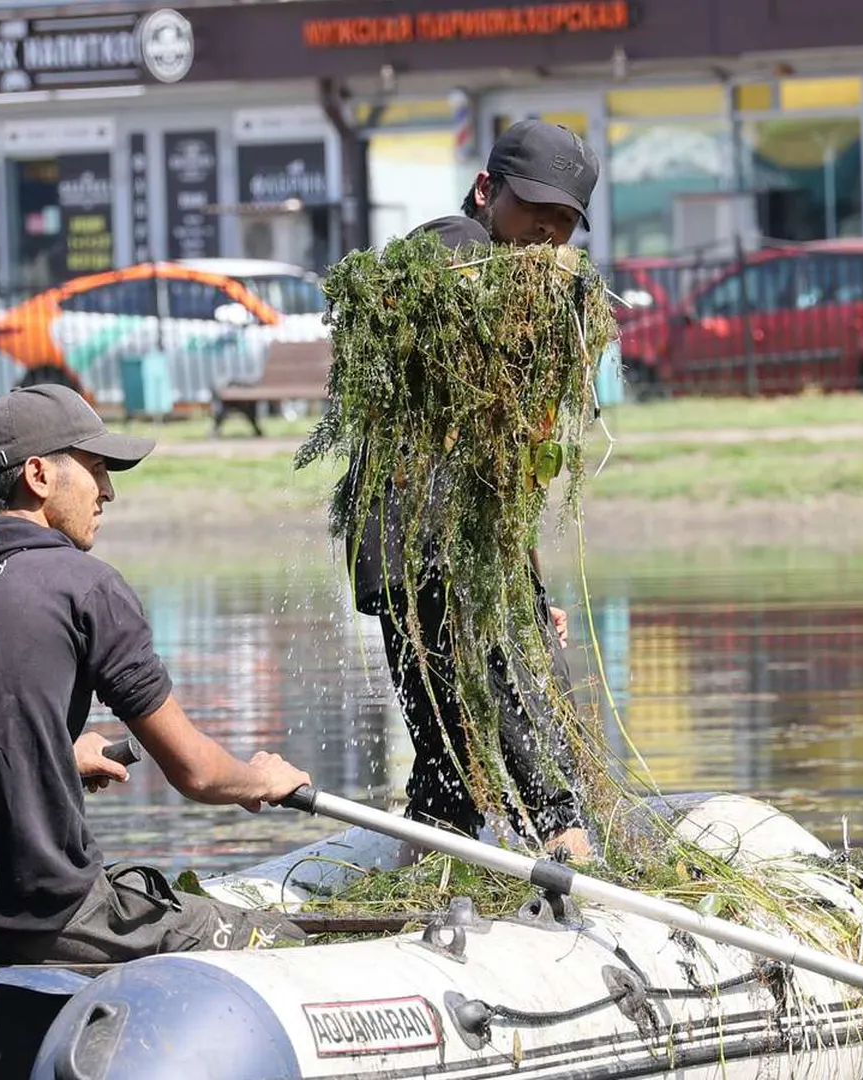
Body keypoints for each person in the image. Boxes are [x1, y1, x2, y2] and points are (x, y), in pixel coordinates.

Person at [0, 383, 313, 964]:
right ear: (39, 476)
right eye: (96, 469)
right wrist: (262, 780)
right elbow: (197, 773)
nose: (109, 492)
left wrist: (55, 753)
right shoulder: (85, 585)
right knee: (286, 944)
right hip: (44, 920)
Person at [349, 120, 601, 862]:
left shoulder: (514, 277)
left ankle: (427, 869)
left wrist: (529, 582)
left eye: (560, 229)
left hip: (461, 545)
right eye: (534, 216)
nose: (544, 241)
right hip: (424, 543)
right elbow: (455, 281)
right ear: (488, 191)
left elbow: (496, 470)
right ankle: (569, 848)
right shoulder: (450, 249)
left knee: (447, 748)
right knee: (520, 710)